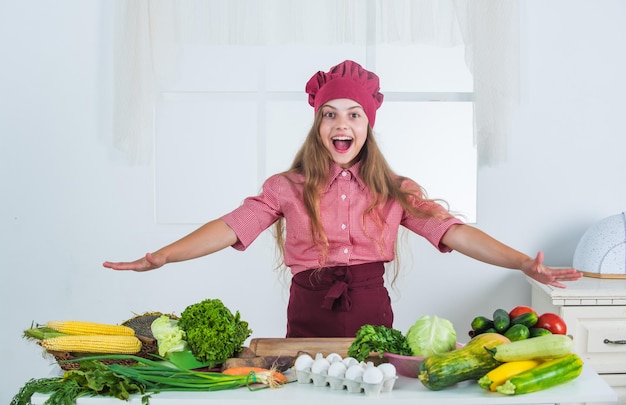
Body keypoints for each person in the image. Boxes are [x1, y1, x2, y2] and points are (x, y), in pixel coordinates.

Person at [104, 60, 582, 338]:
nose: (341, 125)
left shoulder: (396, 190)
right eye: (330, 114)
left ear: (368, 124)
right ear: (318, 125)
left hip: (371, 309)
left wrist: (522, 262)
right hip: (306, 310)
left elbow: (454, 233)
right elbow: (232, 225)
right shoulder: (285, 187)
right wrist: (165, 256)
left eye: (353, 114)